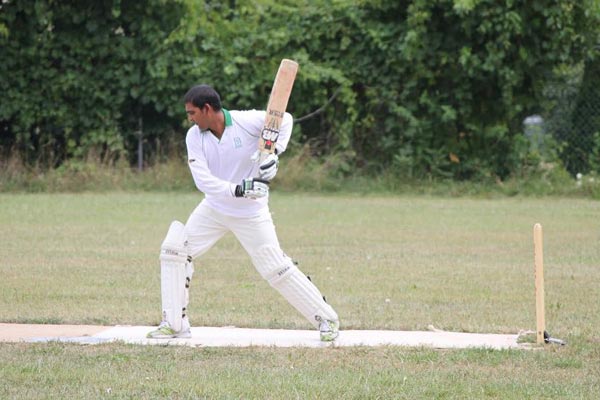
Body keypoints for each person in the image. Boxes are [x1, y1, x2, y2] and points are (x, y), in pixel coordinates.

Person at [146, 84, 340, 341]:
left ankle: (327, 319)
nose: (190, 119)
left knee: (275, 266)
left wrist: (274, 153)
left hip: (251, 212)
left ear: (207, 109)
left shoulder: (244, 120)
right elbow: (203, 181)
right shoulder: (195, 136)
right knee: (175, 250)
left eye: (192, 113)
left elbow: (286, 119)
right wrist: (238, 189)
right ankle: (174, 324)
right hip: (214, 208)